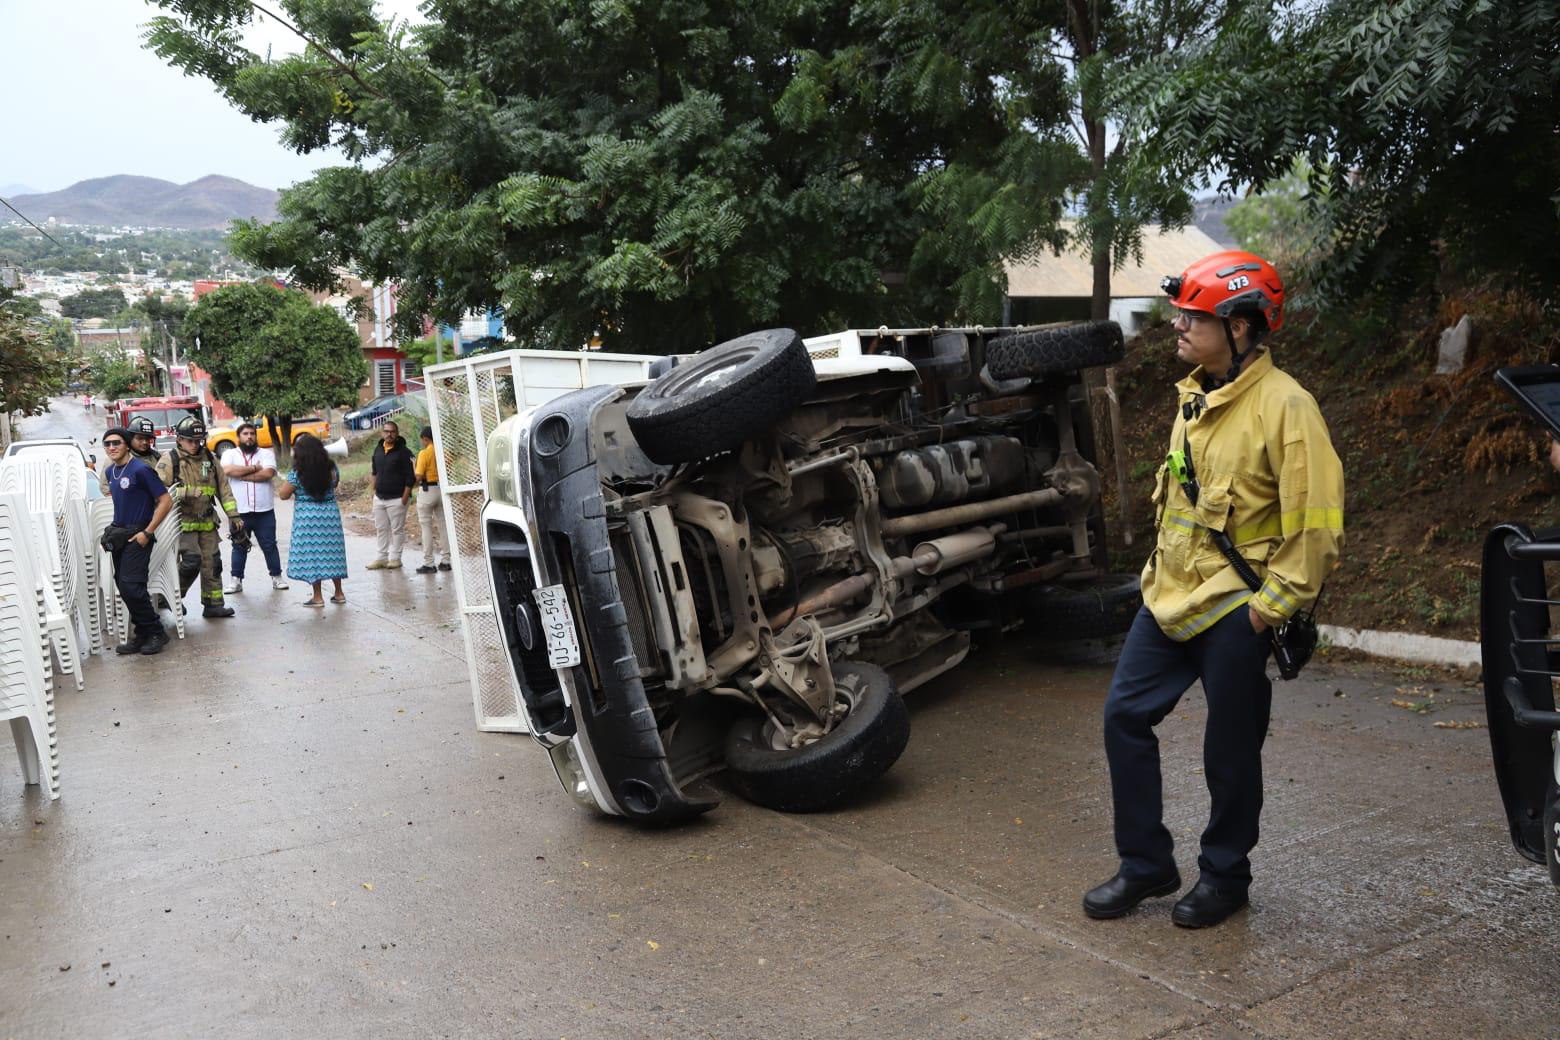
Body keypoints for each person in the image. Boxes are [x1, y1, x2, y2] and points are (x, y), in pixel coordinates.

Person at [1083, 250, 1345, 929]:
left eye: (1193, 317)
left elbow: (1314, 527)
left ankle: (1225, 877)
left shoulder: (1287, 409)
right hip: (1168, 598)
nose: (1177, 326)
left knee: (1228, 754)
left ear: (1241, 327)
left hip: (1236, 608)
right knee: (1123, 718)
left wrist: (1267, 613)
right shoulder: (1194, 396)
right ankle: (1146, 866)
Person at [156, 415, 243, 619]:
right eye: (190, 440)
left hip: (207, 522)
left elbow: (224, 488)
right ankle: (170, 597)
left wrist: (234, 515)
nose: (195, 444)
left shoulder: (210, 459)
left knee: (212, 563)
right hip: (181, 523)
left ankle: (213, 604)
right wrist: (185, 492)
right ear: (179, 439)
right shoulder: (169, 460)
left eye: (199, 440)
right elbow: (158, 492)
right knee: (191, 562)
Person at [100, 427, 174, 655]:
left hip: (139, 535)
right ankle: (142, 633)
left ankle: (156, 632)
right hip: (120, 536)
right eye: (107, 444)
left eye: (116, 443)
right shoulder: (111, 471)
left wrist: (148, 532)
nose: (112, 447)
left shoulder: (141, 469)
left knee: (132, 586)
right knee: (124, 586)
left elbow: (165, 501)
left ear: (127, 444)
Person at [277, 433, 348, 607]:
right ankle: (339, 593)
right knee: (333, 554)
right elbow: (335, 485)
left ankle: (317, 597)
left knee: (314, 555)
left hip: (308, 518)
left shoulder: (297, 473)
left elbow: (283, 495)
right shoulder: (332, 468)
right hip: (330, 516)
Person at [220, 421, 287, 593]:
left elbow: (267, 474)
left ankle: (277, 577)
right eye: (245, 434)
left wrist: (243, 475)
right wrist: (253, 468)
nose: (249, 436)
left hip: (264, 510)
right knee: (239, 545)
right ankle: (236, 580)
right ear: (238, 437)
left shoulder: (266, 454)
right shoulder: (229, 454)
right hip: (239, 512)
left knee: (269, 545)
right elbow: (227, 471)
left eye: (252, 433)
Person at [367, 419, 415, 571]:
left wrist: (405, 498)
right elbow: (374, 471)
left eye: (392, 431)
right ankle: (381, 558)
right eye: (386, 431)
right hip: (379, 497)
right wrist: (373, 491)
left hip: (397, 499)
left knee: (397, 530)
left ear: (397, 433)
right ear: (382, 433)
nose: (389, 434)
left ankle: (395, 558)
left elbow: (411, 477)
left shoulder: (404, 453)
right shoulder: (378, 449)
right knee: (381, 529)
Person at [413, 426, 451, 574]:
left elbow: (419, 476)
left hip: (428, 490)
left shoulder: (424, 453)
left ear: (425, 439)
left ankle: (429, 563)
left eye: (422, 440)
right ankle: (446, 560)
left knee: (426, 526)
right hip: (442, 490)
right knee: (443, 525)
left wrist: (413, 466)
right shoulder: (444, 451)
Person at [101, 415, 161, 497]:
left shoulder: (156, 457)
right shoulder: (117, 459)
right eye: (139, 438)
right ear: (129, 439)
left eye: (147, 439)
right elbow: (106, 489)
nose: (144, 442)